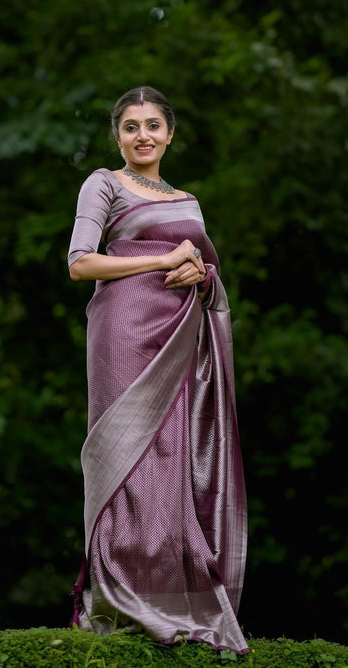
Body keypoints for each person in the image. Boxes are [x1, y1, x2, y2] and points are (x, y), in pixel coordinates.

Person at [67, 86, 248, 654]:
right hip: (123, 330)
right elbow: (80, 263)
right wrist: (166, 259)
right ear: (116, 135)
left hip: (179, 333)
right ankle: (117, 599)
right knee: (127, 453)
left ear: (170, 134)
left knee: (175, 455)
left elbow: (206, 269)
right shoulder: (103, 183)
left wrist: (200, 275)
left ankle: (172, 603)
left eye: (152, 125)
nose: (142, 135)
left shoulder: (188, 198)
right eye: (129, 126)